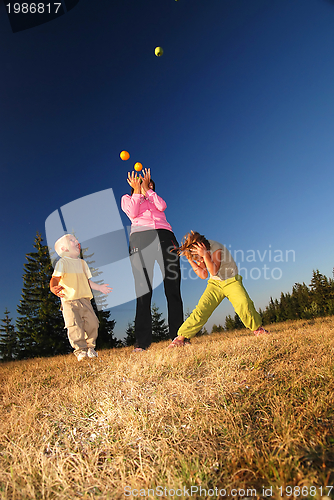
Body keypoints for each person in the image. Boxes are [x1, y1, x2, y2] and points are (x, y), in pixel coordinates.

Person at [168, 230, 269, 348]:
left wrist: (205, 255)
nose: (199, 260)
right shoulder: (200, 254)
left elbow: (213, 270)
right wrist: (190, 260)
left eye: (198, 257)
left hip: (231, 280)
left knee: (243, 303)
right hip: (215, 284)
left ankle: (258, 329)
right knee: (201, 310)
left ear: (203, 247)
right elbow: (203, 275)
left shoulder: (216, 247)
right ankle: (181, 338)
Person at [121, 168, 183, 351]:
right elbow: (132, 213)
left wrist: (148, 191)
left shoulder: (154, 197)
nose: (146, 186)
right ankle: (142, 342)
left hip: (166, 236)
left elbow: (162, 206)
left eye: (150, 184)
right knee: (143, 290)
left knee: (173, 287)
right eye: (142, 183)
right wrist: (138, 192)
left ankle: (178, 336)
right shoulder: (127, 198)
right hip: (141, 238)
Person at [50, 234, 112, 361]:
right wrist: (53, 287)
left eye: (76, 240)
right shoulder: (62, 263)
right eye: (72, 241)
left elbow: (88, 281)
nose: (77, 242)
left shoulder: (83, 263)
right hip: (69, 301)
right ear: (64, 249)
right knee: (74, 326)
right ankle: (80, 351)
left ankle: (90, 348)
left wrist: (99, 287)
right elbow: (55, 278)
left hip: (85, 300)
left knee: (93, 323)